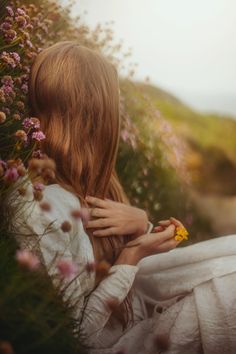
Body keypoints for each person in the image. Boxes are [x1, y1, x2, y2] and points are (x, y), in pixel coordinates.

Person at [11, 41, 236, 354]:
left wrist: (142, 227)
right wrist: (132, 254)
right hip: (133, 340)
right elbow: (78, 336)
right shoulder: (40, 206)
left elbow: (126, 271)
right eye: (111, 107)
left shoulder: (97, 186)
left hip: (146, 316)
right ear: (95, 117)